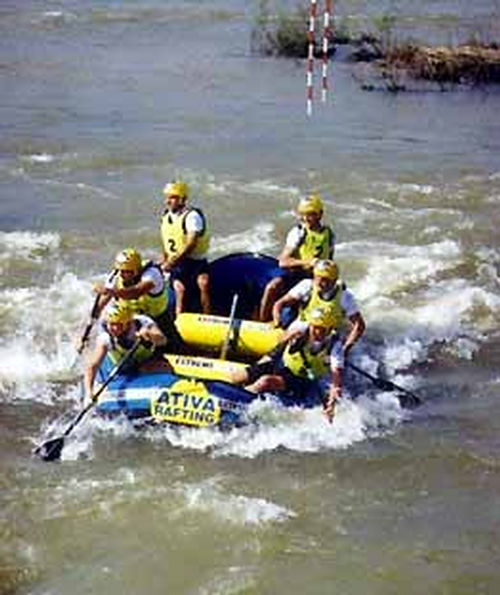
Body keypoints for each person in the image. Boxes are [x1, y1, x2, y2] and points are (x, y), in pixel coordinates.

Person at [234, 289, 365, 421]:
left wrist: (332, 401)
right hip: (281, 364)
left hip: (302, 379)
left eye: (322, 329)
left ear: (330, 329)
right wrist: (289, 336)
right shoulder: (301, 327)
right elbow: (280, 341)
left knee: (266, 382)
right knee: (238, 376)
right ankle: (231, 394)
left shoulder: (335, 346)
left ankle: (237, 402)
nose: (318, 332)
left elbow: (336, 376)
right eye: (315, 328)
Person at [259, 193, 335, 322]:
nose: (306, 218)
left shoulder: (329, 235)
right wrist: (307, 262)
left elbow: (330, 260)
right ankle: (263, 321)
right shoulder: (298, 233)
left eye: (311, 214)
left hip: (316, 279)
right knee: (272, 287)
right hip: (296, 276)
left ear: (320, 214)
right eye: (303, 214)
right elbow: (283, 261)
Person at [93, 247, 185, 352]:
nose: (124, 275)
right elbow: (102, 303)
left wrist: (111, 291)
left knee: (175, 348)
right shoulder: (115, 277)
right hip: (128, 322)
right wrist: (93, 319)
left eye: (128, 272)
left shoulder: (152, 274)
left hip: (157, 319)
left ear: (137, 268)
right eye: (121, 271)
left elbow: (136, 292)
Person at [83, 303, 167, 403]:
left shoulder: (142, 323)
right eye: (110, 323)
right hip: (123, 367)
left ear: (127, 323)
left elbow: (162, 340)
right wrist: (89, 393)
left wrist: (150, 334)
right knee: (144, 369)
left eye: (117, 324)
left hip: (146, 360)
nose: (112, 328)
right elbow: (93, 366)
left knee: (165, 368)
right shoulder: (106, 337)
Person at [160, 180, 211, 315]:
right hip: (178, 266)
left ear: (182, 199)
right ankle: (178, 323)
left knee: (203, 284)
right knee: (180, 290)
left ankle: (207, 317)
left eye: (172, 198)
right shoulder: (166, 216)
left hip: (195, 262)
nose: (168, 201)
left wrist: (173, 262)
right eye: (168, 197)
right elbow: (166, 243)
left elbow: (191, 243)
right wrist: (166, 262)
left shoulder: (192, 217)